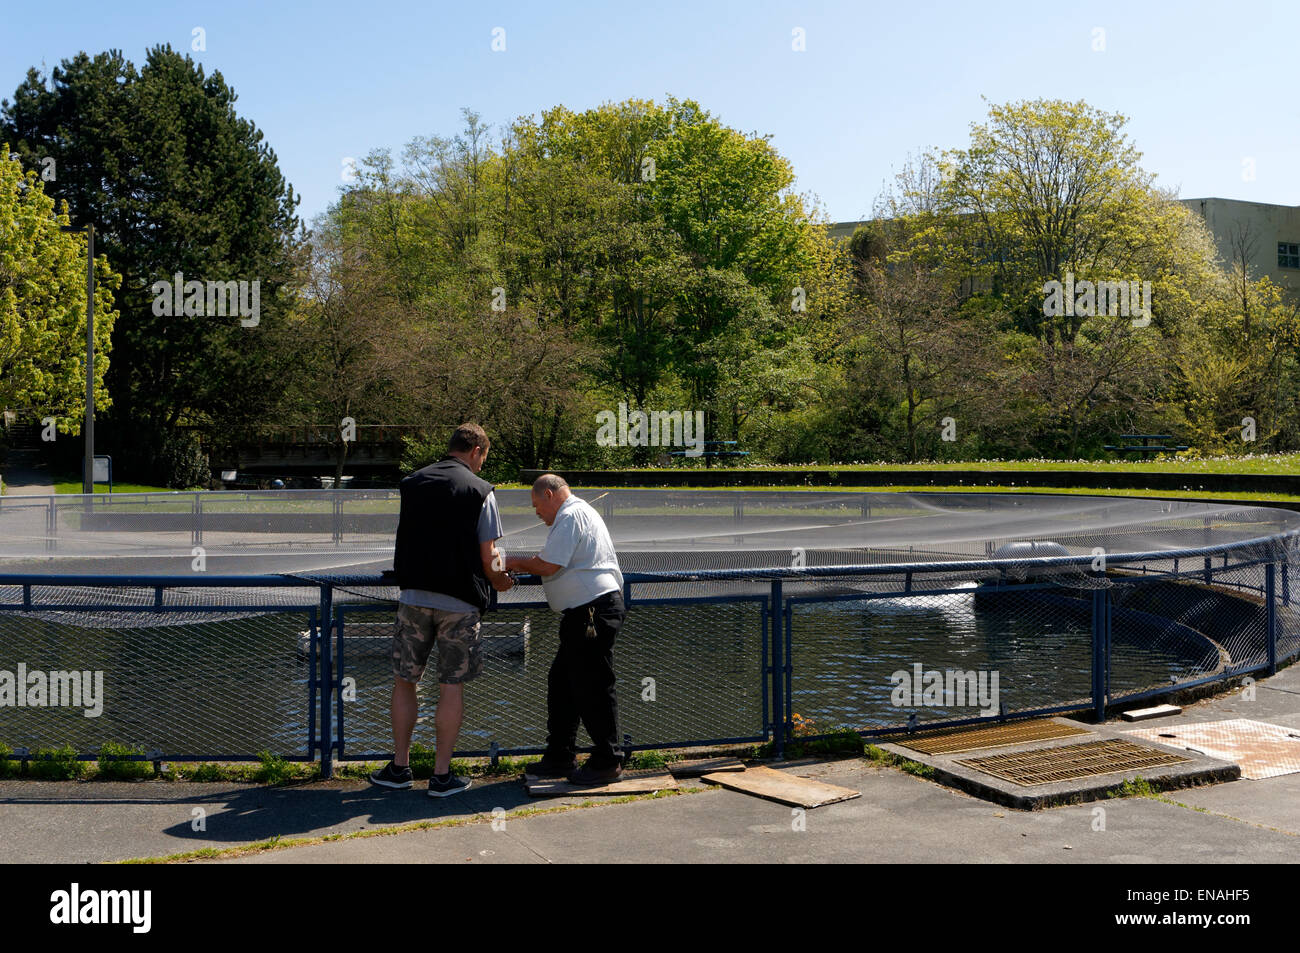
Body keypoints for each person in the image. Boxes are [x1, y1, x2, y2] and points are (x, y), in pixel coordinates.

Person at [370, 423, 513, 797]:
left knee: (405, 681)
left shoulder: (412, 482)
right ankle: (441, 776)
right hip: (459, 603)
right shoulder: (481, 491)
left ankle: (399, 768)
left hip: (414, 596)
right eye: (484, 457)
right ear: (476, 451)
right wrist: (502, 582)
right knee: (450, 687)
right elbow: (490, 557)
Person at [506, 474, 626, 786]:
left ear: (548, 494)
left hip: (591, 611)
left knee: (593, 686)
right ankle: (560, 755)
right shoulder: (577, 513)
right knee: (563, 684)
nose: (536, 513)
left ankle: (607, 760)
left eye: (536, 505)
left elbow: (549, 566)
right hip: (587, 611)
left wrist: (508, 561)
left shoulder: (571, 515)